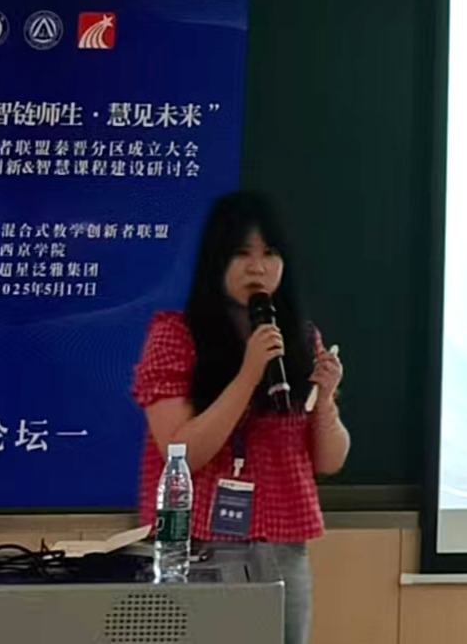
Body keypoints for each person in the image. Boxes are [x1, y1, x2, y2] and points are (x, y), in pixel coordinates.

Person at [133, 191, 348, 644]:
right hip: (196, 550)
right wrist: (249, 374)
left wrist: (326, 399)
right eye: (242, 253)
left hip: (283, 551)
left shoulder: (299, 339)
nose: (257, 267)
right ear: (216, 259)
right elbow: (180, 453)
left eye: (269, 253)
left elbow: (329, 460)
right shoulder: (175, 335)